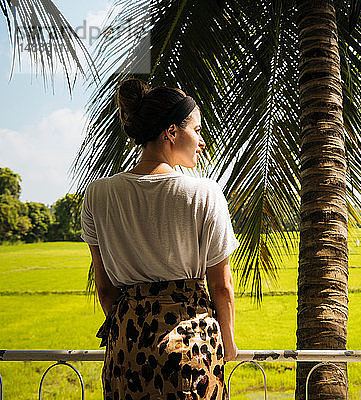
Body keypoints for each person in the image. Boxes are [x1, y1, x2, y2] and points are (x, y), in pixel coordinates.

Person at [80, 78, 239, 400]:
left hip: (127, 340)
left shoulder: (98, 194)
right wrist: (229, 342)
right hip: (190, 341)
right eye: (196, 130)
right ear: (171, 132)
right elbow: (221, 286)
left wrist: (132, 323)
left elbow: (105, 288)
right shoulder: (203, 193)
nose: (201, 141)